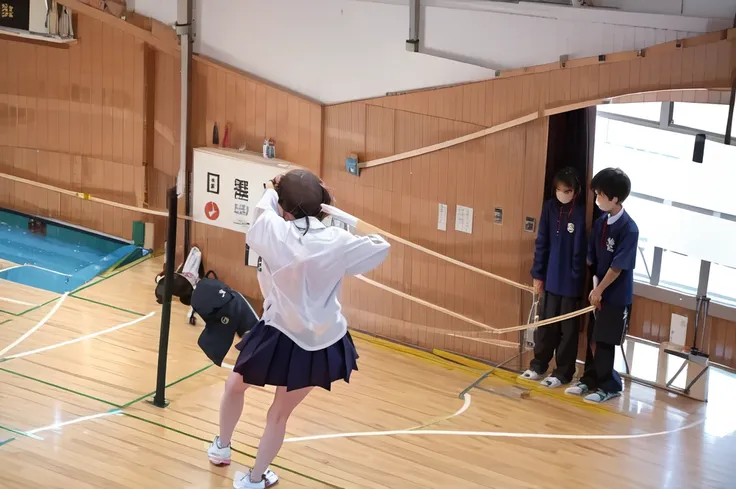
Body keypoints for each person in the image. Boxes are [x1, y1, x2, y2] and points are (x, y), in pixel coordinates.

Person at [206, 169, 390, 489]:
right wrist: (343, 217)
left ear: (285, 209)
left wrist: (270, 189)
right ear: (322, 205)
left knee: (234, 386)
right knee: (278, 413)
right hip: (319, 338)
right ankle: (253, 478)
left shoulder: (275, 232)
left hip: (283, 330)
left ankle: (225, 449)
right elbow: (379, 246)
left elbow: (263, 212)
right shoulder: (338, 241)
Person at [565, 167, 638, 404]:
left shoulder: (629, 228)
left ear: (615, 198)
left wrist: (600, 290)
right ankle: (589, 379)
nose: (596, 199)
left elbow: (618, 267)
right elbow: (592, 256)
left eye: (600, 195)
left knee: (605, 341)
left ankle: (610, 385)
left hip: (615, 296)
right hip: (598, 291)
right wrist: (593, 282)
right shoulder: (600, 222)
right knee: (593, 337)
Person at [520, 167, 587, 388]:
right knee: (546, 325)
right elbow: (542, 242)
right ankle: (538, 365)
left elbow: (579, 252)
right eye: (559, 190)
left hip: (570, 284)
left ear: (574, 191)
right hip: (550, 279)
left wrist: (576, 278)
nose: (563, 194)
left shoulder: (579, 212)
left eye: (567, 190)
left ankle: (563, 372)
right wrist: (538, 275)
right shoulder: (549, 208)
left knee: (567, 331)